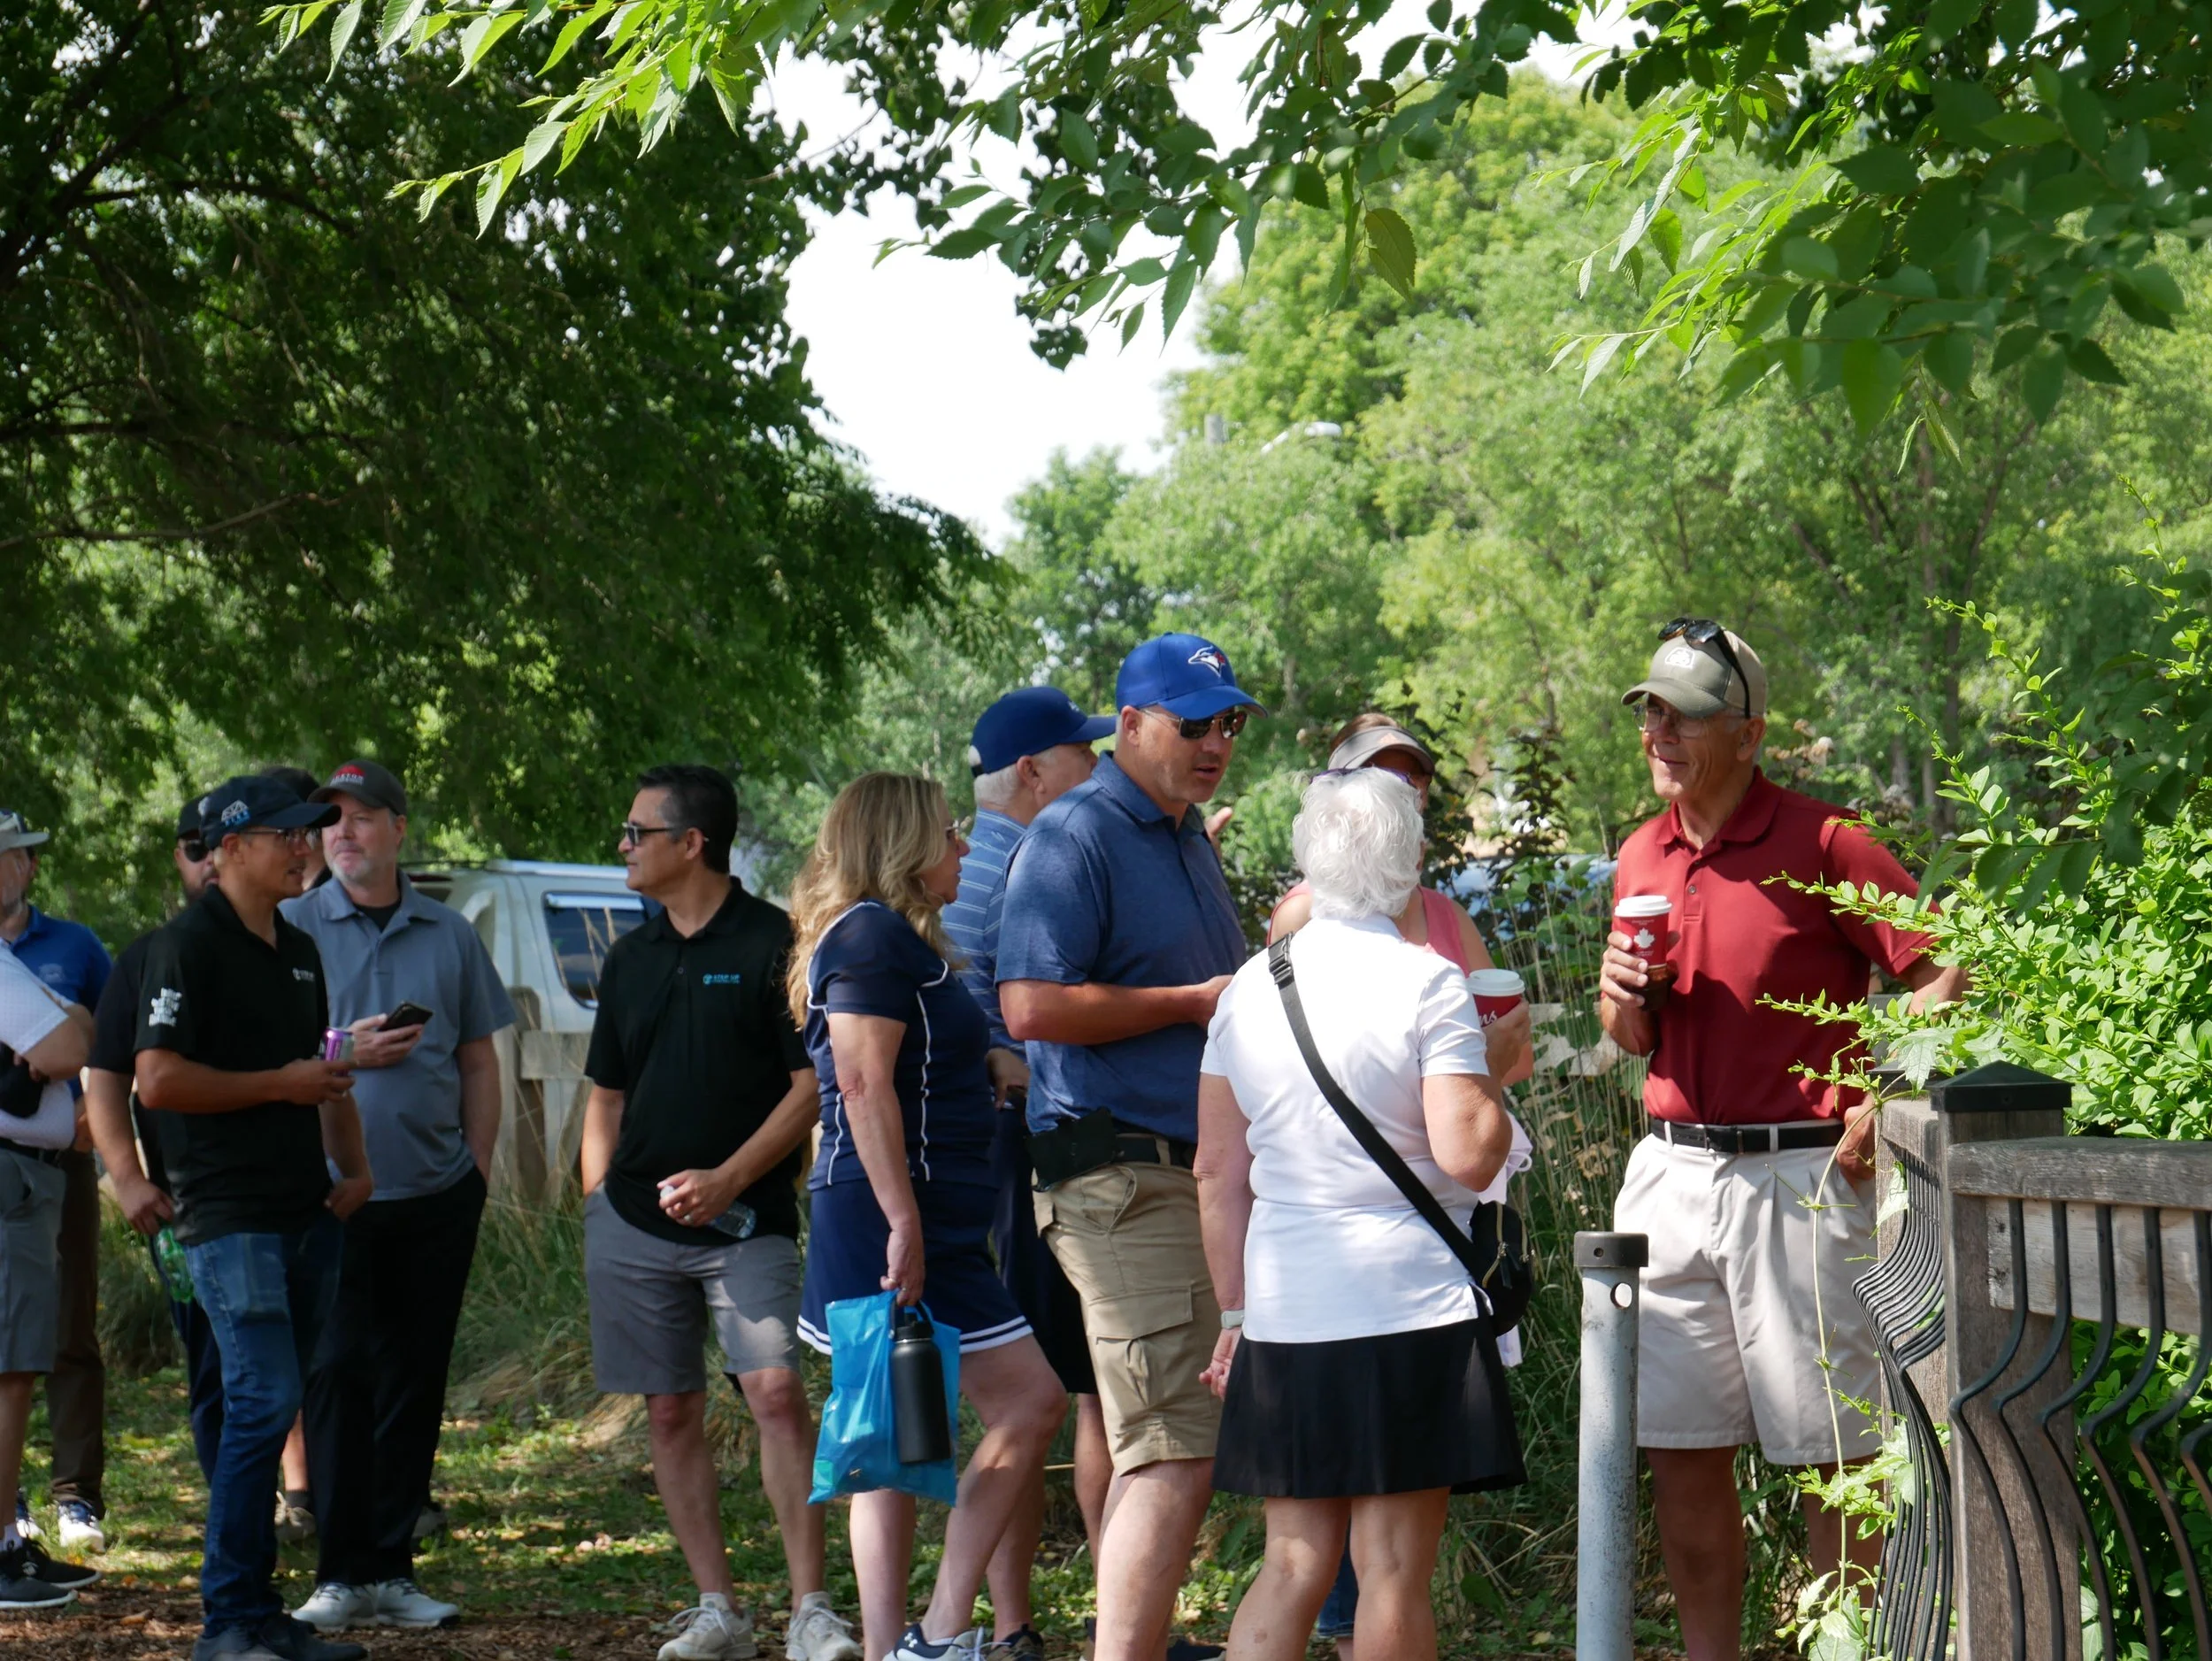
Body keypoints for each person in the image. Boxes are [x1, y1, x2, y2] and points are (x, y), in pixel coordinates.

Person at [1598, 619, 1966, 1661]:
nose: (1658, 731)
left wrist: (1890, 1083)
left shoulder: (1823, 842)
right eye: (1649, 711)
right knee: (1678, 1455)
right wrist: (1619, 994)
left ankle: (1849, 1649)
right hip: (1669, 1176)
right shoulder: (1640, 850)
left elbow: (1942, 967)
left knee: (1835, 1459)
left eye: (1683, 714)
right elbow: (1627, 1035)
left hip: (1801, 1178)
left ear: (1748, 734)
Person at [1196, 768, 1525, 1661]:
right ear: (1411, 861)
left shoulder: (1246, 990)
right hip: (1406, 1302)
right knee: (1388, 1570)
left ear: (1308, 862)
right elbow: (1467, 1151)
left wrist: (1233, 1311)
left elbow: (1218, 1168)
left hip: (1286, 1303)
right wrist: (1493, 1067)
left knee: (1292, 1559)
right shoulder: (1427, 982)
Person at [997, 632, 1260, 1661]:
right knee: (1167, 1448)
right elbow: (1027, 1004)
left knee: (1176, 1440)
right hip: (1117, 1175)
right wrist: (1193, 1003)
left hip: (1189, 1176)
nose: (1214, 742)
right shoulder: (1075, 832)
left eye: (1229, 722)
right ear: (1130, 722)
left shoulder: (1185, 832)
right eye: (1193, 723)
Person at [579, 764, 861, 1661]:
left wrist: (731, 1179)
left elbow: (808, 1086)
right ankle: (719, 1610)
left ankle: (811, 1608)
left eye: (637, 832)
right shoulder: (629, 956)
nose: (624, 846)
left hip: (745, 1221)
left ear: (690, 843)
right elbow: (604, 1095)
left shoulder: (775, 942)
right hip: (632, 1224)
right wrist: (598, 1205)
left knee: (775, 1391)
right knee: (669, 1409)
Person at [787, 772, 1068, 1661]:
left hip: (924, 1216)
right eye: (948, 832)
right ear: (902, 843)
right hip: (889, 1219)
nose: (963, 846)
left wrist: (982, 1056)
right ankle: (933, 1632)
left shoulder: (895, 941)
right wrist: (902, 1218)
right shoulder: (869, 936)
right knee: (1019, 1402)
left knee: (898, 1437)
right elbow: (863, 1081)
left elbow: (905, 1056)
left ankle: (905, 1644)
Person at [133, 773, 375, 1661]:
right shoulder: (184, 946)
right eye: (286, 833)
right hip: (226, 1213)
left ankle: (261, 1614)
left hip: (302, 1206)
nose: (305, 846)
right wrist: (284, 1082)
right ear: (229, 848)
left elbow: (314, 1062)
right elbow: (155, 1081)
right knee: (263, 1397)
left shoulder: (299, 947)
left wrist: (350, 1160)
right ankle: (228, 1618)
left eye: (310, 831)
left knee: (276, 1402)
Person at [281, 761, 516, 1634]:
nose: (343, 833)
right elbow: (268, 1048)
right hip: (330, 1196)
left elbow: (480, 1059)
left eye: (362, 817)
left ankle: (392, 1567)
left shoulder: (449, 933)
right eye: (329, 821)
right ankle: (340, 1571)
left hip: (434, 1192)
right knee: (336, 1371)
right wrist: (346, 1044)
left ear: (398, 829)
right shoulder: (291, 924)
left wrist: (477, 1168)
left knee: (412, 1378)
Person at [941, 688, 1118, 1661]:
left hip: (993, 1161)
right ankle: (1095, 1621)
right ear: (1032, 775)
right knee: (1073, 1388)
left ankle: (1019, 1623)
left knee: (1028, 1393)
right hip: (1028, 1153)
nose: (1096, 771)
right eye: (1080, 754)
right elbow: (1024, 1019)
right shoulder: (1023, 865)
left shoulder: (976, 864)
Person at [84, 800, 225, 1487]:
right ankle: (240, 1525)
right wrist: (129, 1179)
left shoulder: (291, 949)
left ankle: (306, 1501)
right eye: (192, 846)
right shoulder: (145, 957)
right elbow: (104, 1079)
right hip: (183, 1212)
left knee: (299, 1371)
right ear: (180, 856)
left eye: (218, 843)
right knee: (214, 1374)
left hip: (288, 1202)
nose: (207, 859)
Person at [0, 809, 114, 1555]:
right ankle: (7, 1512)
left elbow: (110, 1042)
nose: (3, 868)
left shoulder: (76, 944)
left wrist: (89, 1110)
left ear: (30, 867)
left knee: (66, 1325)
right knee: (11, 1346)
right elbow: (69, 1036)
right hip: (12, 1168)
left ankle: (76, 1494)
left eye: (12, 855)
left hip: (62, 1157)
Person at [0, 938, 99, 1610]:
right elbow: (71, 1045)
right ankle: (1, 1550)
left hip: (22, 1176)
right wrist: (64, 1019)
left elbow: (75, 1036)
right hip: (11, 1179)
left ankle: (7, 1538)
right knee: (8, 1369)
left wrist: (65, 1029)